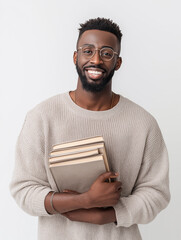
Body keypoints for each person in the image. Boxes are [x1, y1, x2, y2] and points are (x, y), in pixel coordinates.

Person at [10, 17, 170, 240]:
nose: (96, 59)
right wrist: (85, 201)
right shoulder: (42, 117)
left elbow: (157, 193)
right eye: (88, 51)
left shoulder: (143, 123)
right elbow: (23, 189)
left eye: (106, 53)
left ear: (118, 62)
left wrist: (108, 215)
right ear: (76, 57)